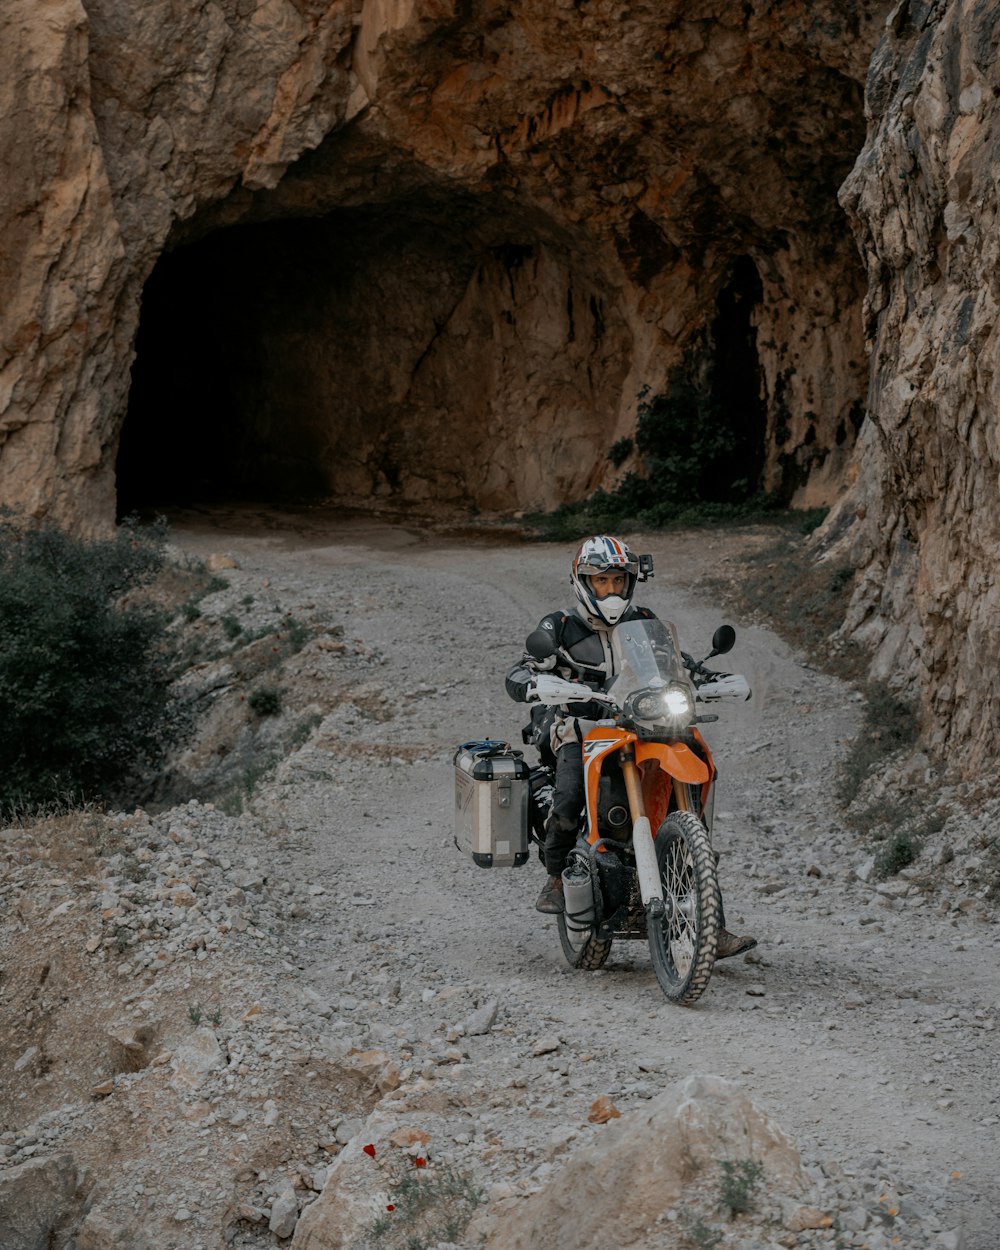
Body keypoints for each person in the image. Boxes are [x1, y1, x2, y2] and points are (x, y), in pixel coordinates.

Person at [505, 534, 756, 961]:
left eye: (617, 582)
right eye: (601, 582)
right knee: (567, 791)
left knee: (691, 780)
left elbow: (678, 664)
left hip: (635, 721)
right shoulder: (560, 625)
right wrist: (532, 683)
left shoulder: (643, 619)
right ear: (584, 581)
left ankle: (709, 919)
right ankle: (555, 878)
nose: (611, 591)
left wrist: (710, 679)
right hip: (575, 720)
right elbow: (521, 668)